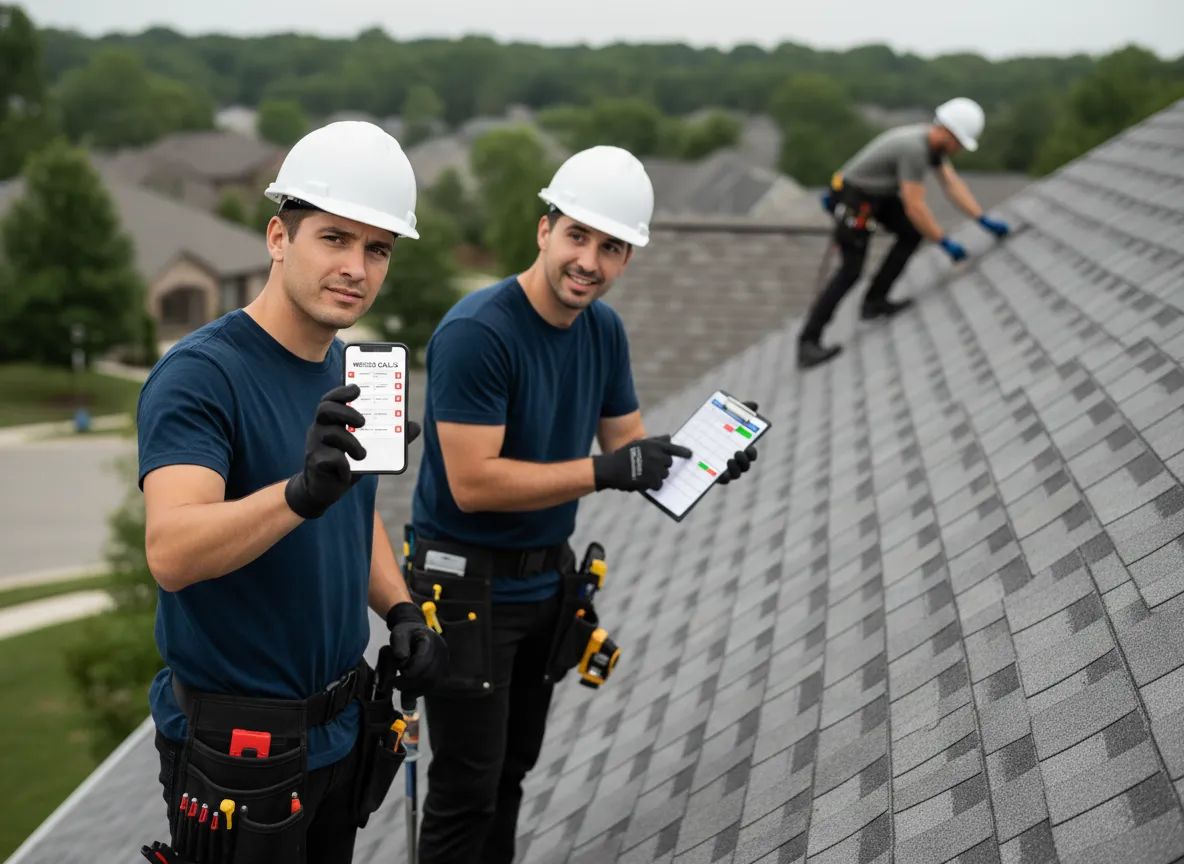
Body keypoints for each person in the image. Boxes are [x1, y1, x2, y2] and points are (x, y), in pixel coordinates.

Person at [402, 145, 762, 864]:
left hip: (544, 585)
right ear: (544, 230)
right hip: (466, 587)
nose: (590, 261)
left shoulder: (604, 331)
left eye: (611, 246)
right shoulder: (480, 333)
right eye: (577, 236)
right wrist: (607, 470)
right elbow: (474, 483)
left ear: (628, 257)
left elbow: (629, 449)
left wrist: (704, 458)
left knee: (510, 774)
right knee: (465, 787)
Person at [135, 120, 448, 863]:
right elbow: (172, 552)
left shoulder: (350, 369)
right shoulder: (201, 376)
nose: (357, 267)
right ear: (279, 237)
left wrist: (398, 607)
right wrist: (297, 494)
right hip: (239, 753)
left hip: (340, 733)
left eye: (377, 249)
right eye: (334, 239)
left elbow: (350, 515)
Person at [797, 96, 1012, 369]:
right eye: (959, 143)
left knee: (911, 233)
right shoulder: (914, 148)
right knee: (851, 270)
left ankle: (874, 302)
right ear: (947, 132)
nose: (958, 150)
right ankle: (808, 342)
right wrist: (944, 242)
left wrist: (982, 219)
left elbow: (952, 185)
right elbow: (914, 205)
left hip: (878, 196)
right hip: (854, 198)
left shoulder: (932, 146)